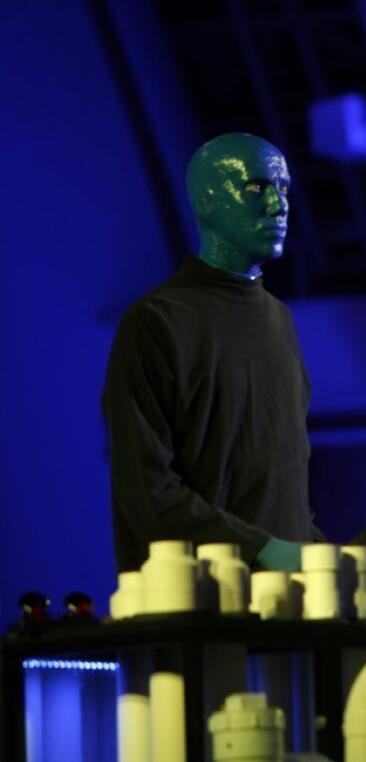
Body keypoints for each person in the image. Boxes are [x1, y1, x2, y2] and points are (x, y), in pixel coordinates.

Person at [103, 133, 320, 574]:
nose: (279, 207)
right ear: (206, 200)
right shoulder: (157, 323)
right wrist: (261, 549)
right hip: (199, 616)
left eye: (283, 189)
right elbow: (147, 493)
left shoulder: (280, 322)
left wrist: (316, 553)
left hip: (288, 619)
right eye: (257, 188)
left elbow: (282, 492)